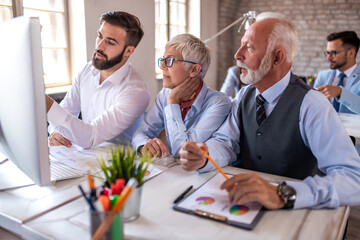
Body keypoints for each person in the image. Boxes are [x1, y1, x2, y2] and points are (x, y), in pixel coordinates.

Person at [179, 12, 360, 210]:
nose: (237, 54)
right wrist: (206, 156)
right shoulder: (243, 96)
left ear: (277, 57)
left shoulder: (312, 105)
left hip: (297, 216)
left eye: (248, 47)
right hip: (248, 209)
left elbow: (353, 180)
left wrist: (284, 194)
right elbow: (226, 142)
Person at [46, 11, 150, 149]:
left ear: (129, 51)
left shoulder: (136, 92)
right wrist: (55, 132)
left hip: (118, 165)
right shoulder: (87, 71)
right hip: (83, 157)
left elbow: (90, 137)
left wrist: (44, 103)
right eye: (99, 36)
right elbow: (65, 111)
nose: (100, 46)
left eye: (110, 42)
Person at [132, 34, 231, 158]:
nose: (162, 66)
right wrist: (143, 145)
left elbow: (182, 150)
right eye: (163, 60)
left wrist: (173, 102)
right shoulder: (165, 94)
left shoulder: (219, 102)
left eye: (169, 61)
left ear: (194, 70)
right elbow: (140, 132)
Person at [314, 31, 360, 114]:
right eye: (328, 53)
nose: (329, 57)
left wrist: (340, 92)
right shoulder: (322, 76)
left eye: (334, 52)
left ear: (351, 53)